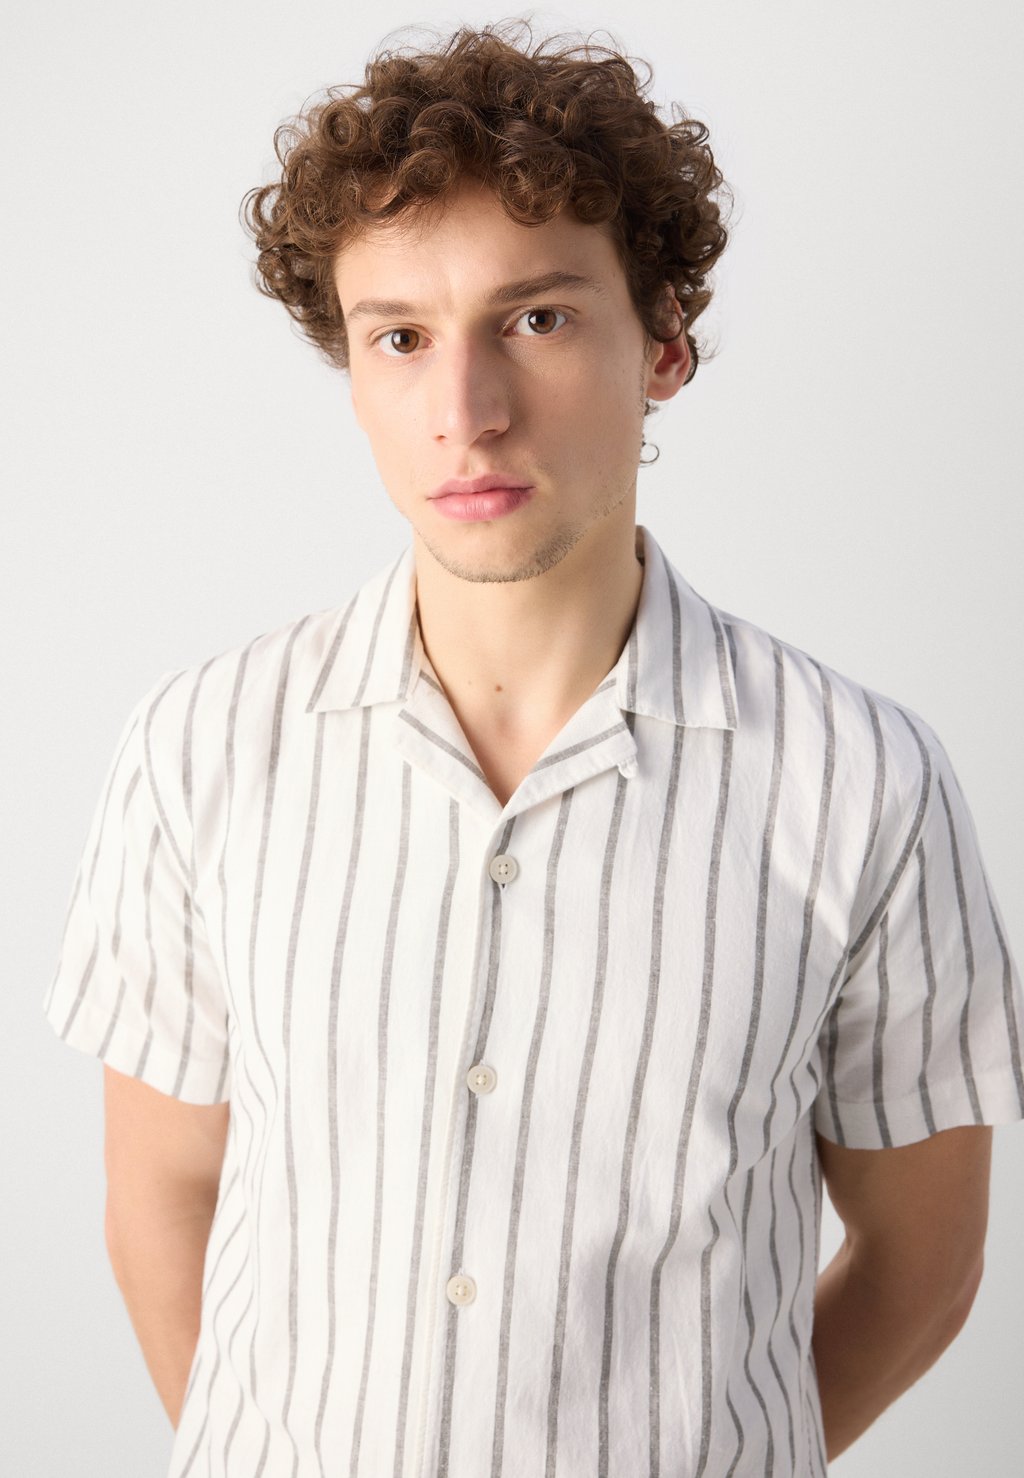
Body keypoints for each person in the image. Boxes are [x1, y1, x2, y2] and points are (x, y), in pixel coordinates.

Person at [43, 19, 1024, 1478]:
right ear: (352, 368)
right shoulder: (201, 749)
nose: (468, 413)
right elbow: (161, 1199)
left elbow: (922, 1263)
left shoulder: (863, 784)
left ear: (664, 341)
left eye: (539, 319)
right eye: (401, 338)